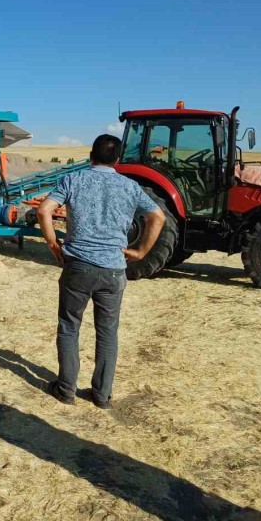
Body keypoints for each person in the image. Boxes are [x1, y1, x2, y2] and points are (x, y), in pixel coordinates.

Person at [36, 134, 166, 409]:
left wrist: (53, 244)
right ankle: (102, 395)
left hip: (78, 267)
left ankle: (66, 389)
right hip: (113, 271)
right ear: (117, 160)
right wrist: (141, 251)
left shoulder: (74, 180)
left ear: (91, 155)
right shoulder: (130, 186)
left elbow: (44, 211)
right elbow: (158, 216)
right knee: (107, 332)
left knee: (69, 327)